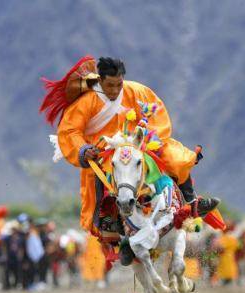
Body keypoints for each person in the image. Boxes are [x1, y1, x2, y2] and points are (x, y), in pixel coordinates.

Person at [40, 56, 220, 264]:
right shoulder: (87, 101)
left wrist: (147, 138)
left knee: (176, 158)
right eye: (109, 85)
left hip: (139, 145)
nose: (115, 90)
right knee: (107, 173)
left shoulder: (136, 91)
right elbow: (70, 130)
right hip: (105, 150)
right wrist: (84, 150)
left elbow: (158, 115)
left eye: (119, 84)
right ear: (100, 80)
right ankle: (112, 227)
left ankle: (192, 202)